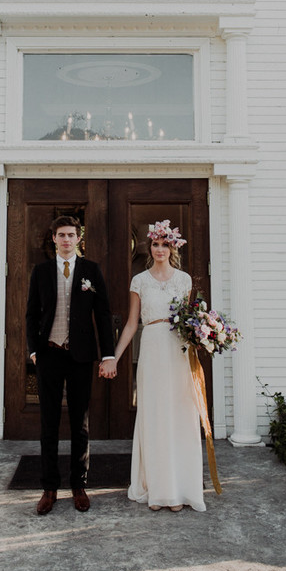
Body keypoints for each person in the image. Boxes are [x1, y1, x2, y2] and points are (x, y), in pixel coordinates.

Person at [100, 219, 205, 512]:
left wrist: (204, 337)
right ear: (150, 248)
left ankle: (179, 489)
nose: (160, 249)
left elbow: (190, 319)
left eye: (165, 245)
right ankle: (157, 489)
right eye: (156, 244)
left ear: (172, 248)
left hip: (178, 350)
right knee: (155, 414)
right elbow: (132, 324)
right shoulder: (140, 281)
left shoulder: (184, 280)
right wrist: (114, 356)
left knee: (180, 414)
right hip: (152, 347)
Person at [26, 215, 115, 515]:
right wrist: (33, 351)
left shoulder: (91, 270)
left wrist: (108, 354)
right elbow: (31, 314)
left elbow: (103, 314)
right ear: (54, 238)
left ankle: (79, 485)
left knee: (80, 423)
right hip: (49, 355)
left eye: (71, 235)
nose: (66, 239)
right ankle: (49, 488)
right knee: (49, 424)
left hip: (80, 356)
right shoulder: (40, 272)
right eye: (61, 235)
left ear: (79, 238)